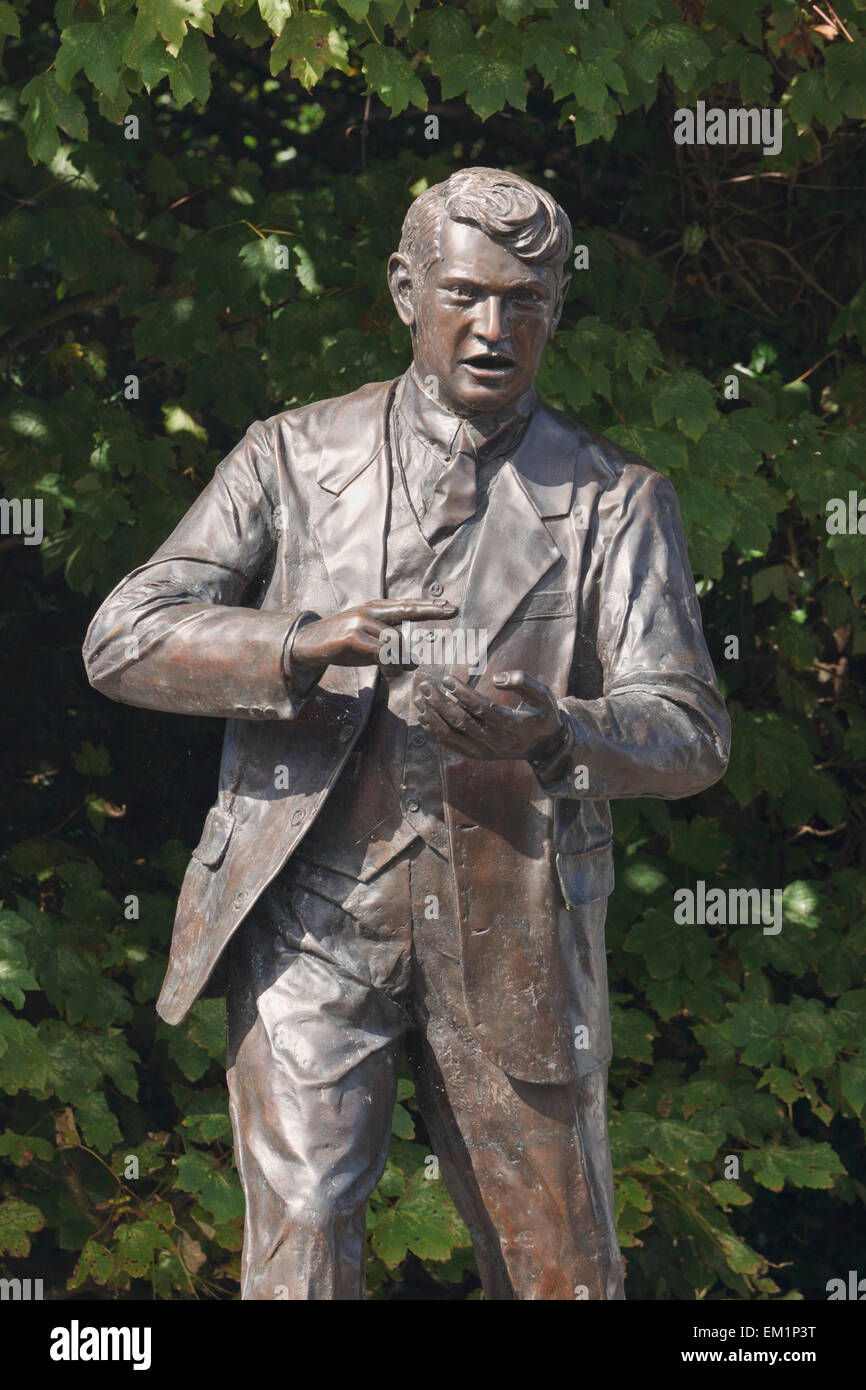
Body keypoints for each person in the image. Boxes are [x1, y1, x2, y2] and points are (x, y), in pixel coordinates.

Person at [83, 167, 730, 1300]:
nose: (494, 328)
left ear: (556, 312)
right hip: (313, 912)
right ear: (404, 290)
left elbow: (687, 732)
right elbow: (125, 636)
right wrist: (294, 643)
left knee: (558, 1267)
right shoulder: (292, 456)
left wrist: (556, 729)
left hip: (516, 926)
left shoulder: (613, 497)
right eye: (468, 294)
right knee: (301, 1248)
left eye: (526, 301)